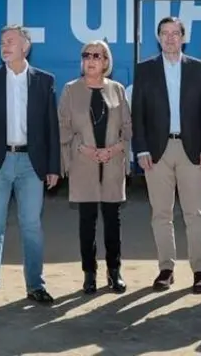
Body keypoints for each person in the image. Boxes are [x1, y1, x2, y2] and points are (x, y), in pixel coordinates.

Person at [0, 24, 60, 311]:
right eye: (1, 42)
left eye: (10, 42)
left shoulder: (44, 81)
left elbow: (51, 128)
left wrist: (53, 166)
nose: (4, 46)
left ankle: (36, 286)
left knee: (32, 227)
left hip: (32, 164)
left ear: (25, 47)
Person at [131, 15, 201, 293]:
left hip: (192, 150)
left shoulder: (199, 69)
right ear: (158, 38)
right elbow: (138, 113)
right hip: (157, 151)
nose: (170, 38)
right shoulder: (144, 69)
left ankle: (200, 271)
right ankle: (166, 269)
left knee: (195, 213)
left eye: (175, 33)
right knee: (161, 213)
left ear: (183, 37)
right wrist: (141, 149)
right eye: (164, 33)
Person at [58, 39, 132, 295]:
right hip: (83, 163)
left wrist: (114, 149)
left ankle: (115, 272)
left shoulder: (118, 90)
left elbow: (128, 128)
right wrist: (82, 148)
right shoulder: (70, 90)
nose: (91, 60)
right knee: (86, 222)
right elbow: (63, 127)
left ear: (106, 62)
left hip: (112, 163)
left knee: (113, 221)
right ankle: (89, 274)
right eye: (87, 55)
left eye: (97, 56)